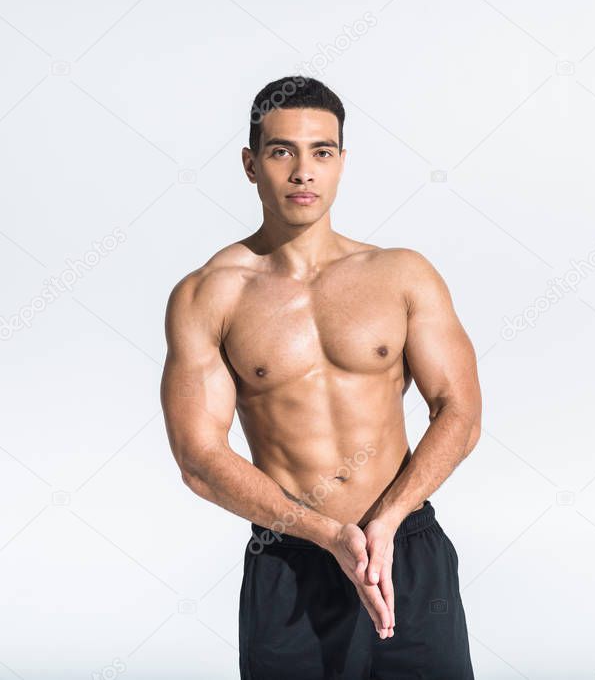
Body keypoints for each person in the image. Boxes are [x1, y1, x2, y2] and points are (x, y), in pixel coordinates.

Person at [159, 76, 481, 679]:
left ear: (340, 163)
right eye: (282, 151)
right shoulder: (209, 294)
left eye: (322, 152)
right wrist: (328, 534)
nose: (303, 171)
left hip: (407, 550)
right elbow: (198, 457)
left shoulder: (403, 275)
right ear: (251, 165)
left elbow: (459, 414)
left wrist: (384, 522)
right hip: (292, 558)